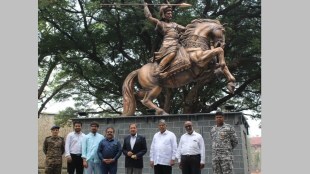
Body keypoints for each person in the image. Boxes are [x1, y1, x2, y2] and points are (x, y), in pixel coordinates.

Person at [144, 2, 186, 77]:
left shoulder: (174, 24)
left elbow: (185, 29)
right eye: (168, 14)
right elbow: (149, 17)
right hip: (168, 43)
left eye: (171, 13)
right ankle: (158, 70)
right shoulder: (161, 23)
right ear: (164, 14)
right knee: (172, 53)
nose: (170, 15)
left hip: (177, 42)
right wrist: (145, 7)